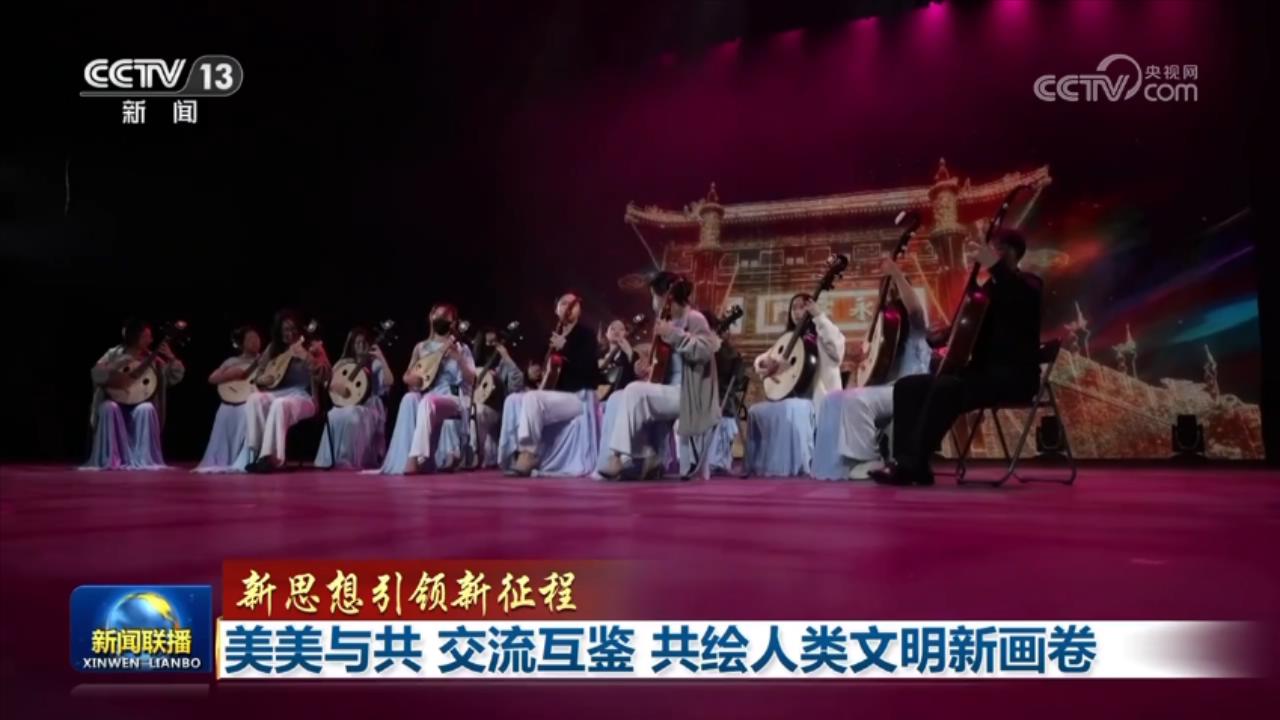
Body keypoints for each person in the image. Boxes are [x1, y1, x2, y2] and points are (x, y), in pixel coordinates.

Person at [872, 230, 1043, 486]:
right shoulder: (988, 290)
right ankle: (911, 465)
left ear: (1011, 252)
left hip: (1013, 377)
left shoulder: (1029, 284)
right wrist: (942, 336)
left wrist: (994, 266)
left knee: (947, 388)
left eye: (995, 248)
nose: (990, 253)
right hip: (980, 375)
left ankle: (910, 463)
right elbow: (969, 328)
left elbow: (1017, 296)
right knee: (908, 387)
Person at [814, 258, 931, 479]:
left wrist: (896, 273)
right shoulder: (883, 329)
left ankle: (869, 459)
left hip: (909, 389)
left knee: (855, 400)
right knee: (832, 400)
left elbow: (915, 310)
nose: (890, 292)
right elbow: (867, 369)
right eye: (886, 288)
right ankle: (837, 466)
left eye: (895, 287)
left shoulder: (914, 324)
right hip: (886, 390)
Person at [598, 273, 720, 480]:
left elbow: (705, 351)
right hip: (669, 391)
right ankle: (646, 453)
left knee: (634, 391)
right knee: (619, 397)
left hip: (689, 394)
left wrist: (673, 334)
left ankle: (618, 457)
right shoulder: (664, 321)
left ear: (665, 297)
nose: (653, 302)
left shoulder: (694, 318)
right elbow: (661, 364)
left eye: (654, 296)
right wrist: (646, 368)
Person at [746, 293, 846, 476]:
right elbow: (763, 358)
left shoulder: (822, 333)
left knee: (795, 409)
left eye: (802, 307)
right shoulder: (789, 339)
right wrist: (764, 362)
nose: (797, 312)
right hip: (795, 397)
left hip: (820, 397)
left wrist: (819, 316)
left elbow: (837, 350)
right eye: (794, 308)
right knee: (762, 410)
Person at [508, 293, 601, 475]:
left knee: (533, 398)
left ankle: (528, 453)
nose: (568, 307)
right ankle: (510, 454)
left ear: (579, 310)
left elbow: (591, 374)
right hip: (551, 396)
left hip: (577, 397)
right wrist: (531, 374)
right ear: (556, 310)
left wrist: (566, 347)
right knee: (512, 400)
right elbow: (541, 372)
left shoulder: (587, 335)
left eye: (573, 304)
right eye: (564, 303)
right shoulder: (549, 337)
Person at [379, 304, 476, 474]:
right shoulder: (421, 347)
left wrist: (459, 359)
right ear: (431, 319)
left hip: (451, 397)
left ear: (453, 322)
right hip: (429, 395)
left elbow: (472, 379)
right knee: (409, 398)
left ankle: (417, 458)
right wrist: (411, 379)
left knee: (427, 401)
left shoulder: (462, 348)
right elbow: (406, 376)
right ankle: (402, 457)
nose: (440, 319)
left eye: (445, 316)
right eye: (437, 315)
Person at [84, 318, 186, 469]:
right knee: (108, 407)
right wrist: (118, 363)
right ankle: (109, 458)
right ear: (135, 337)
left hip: (139, 404)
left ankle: (144, 459)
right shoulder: (113, 354)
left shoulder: (153, 359)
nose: (151, 340)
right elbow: (96, 374)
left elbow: (173, 377)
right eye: (147, 336)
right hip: (117, 403)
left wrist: (171, 358)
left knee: (147, 408)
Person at [241, 310, 331, 472]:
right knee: (254, 399)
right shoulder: (274, 348)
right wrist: (263, 379)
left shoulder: (312, 346)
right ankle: (257, 452)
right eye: (286, 329)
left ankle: (270, 458)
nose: (290, 333)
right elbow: (258, 374)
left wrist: (306, 356)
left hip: (304, 396)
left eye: (293, 328)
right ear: (279, 331)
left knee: (279, 404)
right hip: (278, 392)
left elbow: (326, 374)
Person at [316, 327, 393, 469]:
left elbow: (389, 382)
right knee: (333, 414)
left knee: (352, 413)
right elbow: (327, 381)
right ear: (352, 345)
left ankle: (348, 459)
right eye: (357, 342)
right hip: (347, 403)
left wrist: (381, 358)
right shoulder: (345, 363)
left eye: (364, 342)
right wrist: (336, 386)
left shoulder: (374, 363)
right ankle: (328, 459)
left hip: (369, 405)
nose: (361, 345)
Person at [195, 325, 261, 472]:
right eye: (250, 339)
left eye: (257, 338)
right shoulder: (232, 361)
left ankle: (244, 458)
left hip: (252, 401)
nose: (255, 341)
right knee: (224, 411)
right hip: (232, 400)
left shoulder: (264, 360)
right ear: (242, 343)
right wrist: (231, 374)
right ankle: (223, 457)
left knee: (246, 410)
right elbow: (212, 378)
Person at [471, 326, 525, 467]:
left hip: (496, 410)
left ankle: (476, 453)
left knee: (479, 411)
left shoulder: (504, 364)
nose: (492, 346)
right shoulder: (472, 366)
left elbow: (517, 384)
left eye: (495, 342)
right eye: (488, 342)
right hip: (474, 405)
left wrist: (506, 357)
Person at [596, 318, 639, 401]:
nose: (616, 331)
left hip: (618, 398)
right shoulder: (598, 354)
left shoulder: (631, 354)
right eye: (613, 328)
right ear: (606, 334)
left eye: (621, 329)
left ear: (625, 334)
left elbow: (636, 375)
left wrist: (629, 352)